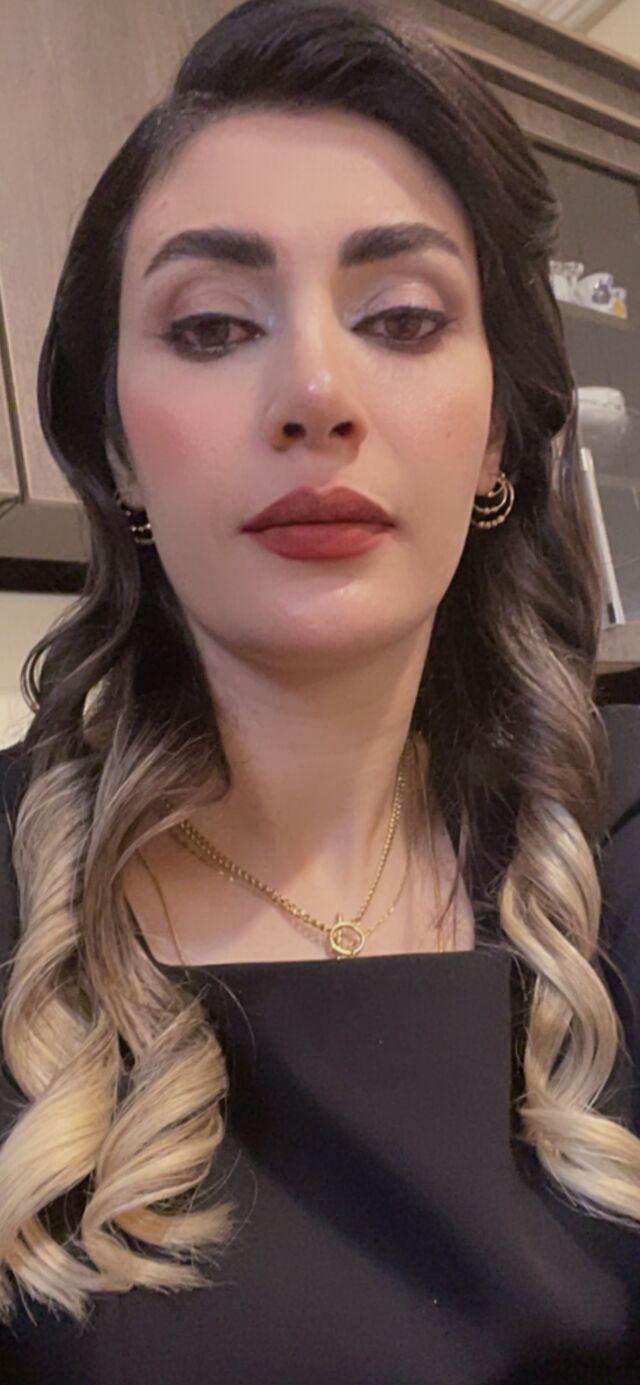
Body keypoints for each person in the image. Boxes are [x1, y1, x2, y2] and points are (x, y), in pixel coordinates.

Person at [0, 0, 639, 1378]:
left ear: (497, 438)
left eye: (402, 317)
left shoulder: (623, 854)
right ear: (115, 451)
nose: (313, 390)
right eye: (212, 326)